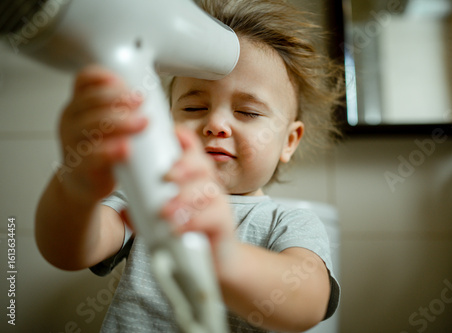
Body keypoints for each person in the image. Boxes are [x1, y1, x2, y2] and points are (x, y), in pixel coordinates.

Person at [35, 0, 343, 332]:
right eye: (194, 107)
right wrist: (75, 185)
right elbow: (67, 253)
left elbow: (308, 302)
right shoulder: (148, 196)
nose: (216, 124)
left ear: (289, 140)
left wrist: (223, 256)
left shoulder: (290, 223)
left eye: (248, 112)